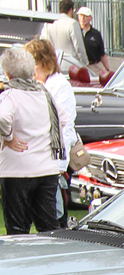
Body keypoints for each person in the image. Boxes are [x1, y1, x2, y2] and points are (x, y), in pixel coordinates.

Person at [0, 46, 63, 235]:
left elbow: (2, 118)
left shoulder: (10, 96)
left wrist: (8, 137)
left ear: (8, 74)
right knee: (48, 226)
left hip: (17, 169)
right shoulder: (44, 93)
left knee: (18, 228)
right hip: (46, 167)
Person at [23, 39, 76, 228]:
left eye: (34, 64)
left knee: (53, 216)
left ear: (45, 63)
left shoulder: (60, 85)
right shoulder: (33, 84)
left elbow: (65, 127)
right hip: (36, 161)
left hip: (53, 162)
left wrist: (61, 163)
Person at [41, 0, 88, 78]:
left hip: (56, 63)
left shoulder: (50, 23)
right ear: (71, 10)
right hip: (72, 64)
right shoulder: (73, 23)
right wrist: (85, 63)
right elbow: (78, 47)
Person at [76, 6, 110, 84]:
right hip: (80, 65)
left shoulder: (96, 34)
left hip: (94, 65)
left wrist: (107, 69)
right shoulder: (75, 31)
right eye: (80, 16)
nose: (82, 18)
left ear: (90, 18)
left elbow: (102, 54)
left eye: (85, 16)